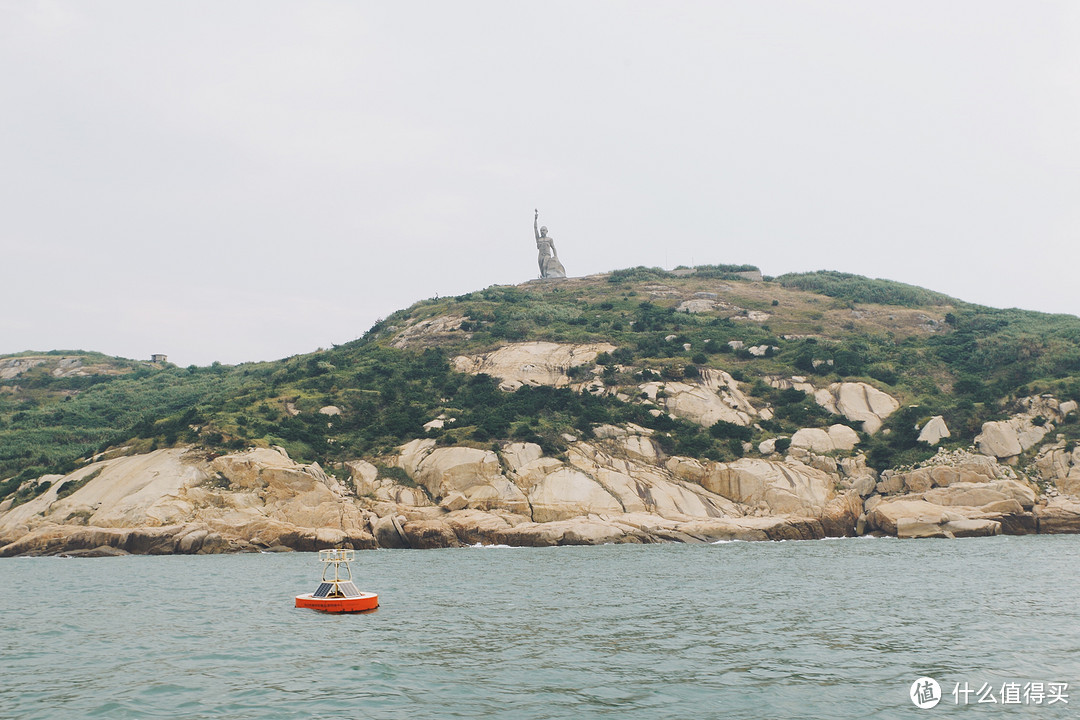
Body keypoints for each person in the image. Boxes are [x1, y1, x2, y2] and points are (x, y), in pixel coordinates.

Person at [534, 209, 566, 278]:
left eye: (544, 230)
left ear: (547, 231)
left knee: (545, 265)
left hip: (547, 255)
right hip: (540, 255)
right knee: (541, 267)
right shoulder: (538, 239)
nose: (542, 231)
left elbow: (553, 248)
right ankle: (543, 277)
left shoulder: (549, 239)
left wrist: (555, 256)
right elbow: (535, 228)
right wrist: (535, 219)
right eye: (541, 230)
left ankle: (546, 277)